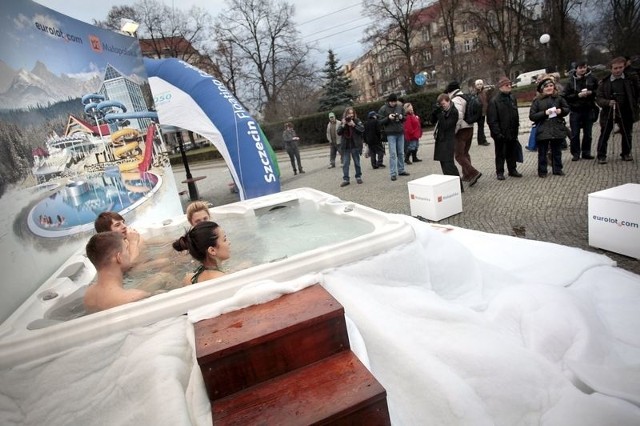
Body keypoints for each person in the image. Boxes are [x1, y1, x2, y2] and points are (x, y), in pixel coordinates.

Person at [83, 231, 150, 313]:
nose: (129, 253)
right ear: (119, 258)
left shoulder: (89, 294)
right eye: (126, 249)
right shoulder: (135, 296)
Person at [595, 56, 640, 164]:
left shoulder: (630, 80)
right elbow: (598, 99)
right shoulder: (604, 82)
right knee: (605, 133)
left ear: (624, 67)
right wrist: (607, 102)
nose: (618, 70)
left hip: (626, 109)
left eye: (620, 67)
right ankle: (601, 155)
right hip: (609, 111)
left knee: (626, 133)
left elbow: (636, 93)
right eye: (615, 68)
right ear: (611, 69)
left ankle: (626, 153)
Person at [529, 76, 571, 177]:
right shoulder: (537, 101)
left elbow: (567, 108)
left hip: (556, 127)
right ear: (542, 89)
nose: (549, 88)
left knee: (557, 151)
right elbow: (532, 116)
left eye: (551, 86)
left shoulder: (559, 98)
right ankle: (542, 171)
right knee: (542, 153)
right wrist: (544, 113)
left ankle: (557, 169)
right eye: (547, 86)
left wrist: (561, 111)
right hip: (543, 128)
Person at [487, 76, 523, 180]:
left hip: (512, 130)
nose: (509, 86)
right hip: (501, 132)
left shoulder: (512, 98)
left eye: (510, 84)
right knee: (500, 153)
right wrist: (497, 133)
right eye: (507, 85)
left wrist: (516, 127)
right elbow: (491, 120)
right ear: (501, 87)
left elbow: (515, 113)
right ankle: (500, 172)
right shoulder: (494, 101)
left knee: (511, 152)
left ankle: (512, 169)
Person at [446, 81, 482, 186]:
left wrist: (454, 131)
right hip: (469, 127)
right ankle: (466, 175)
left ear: (450, 91)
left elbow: (458, 117)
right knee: (465, 153)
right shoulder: (465, 96)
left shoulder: (456, 99)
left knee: (458, 155)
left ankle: (473, 173)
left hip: (462, 130)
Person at [172, 221, 230, 285]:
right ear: (212, 250)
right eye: (224, 239)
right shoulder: (222, 279)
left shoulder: (189, 279)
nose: (229, 242)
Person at [562, 60, 599, 161]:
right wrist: (577, 95)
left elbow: (599, 90)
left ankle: (586, 152)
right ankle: (575, 153)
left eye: (584, 67)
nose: (582, 70)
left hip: (588, 108)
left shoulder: (592, 78)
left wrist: (591, 92)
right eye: (580, 68)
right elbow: (565, 96)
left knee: (588, 133)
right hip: (575, 109)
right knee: (575, 134)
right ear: (576, 69)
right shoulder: (570, 81)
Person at [430, 93, 463, 193]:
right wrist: (434, 112)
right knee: (443, 163)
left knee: (449, 164)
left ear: (448, 101)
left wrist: (439, 114)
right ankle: (450, 184)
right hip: (441, 140)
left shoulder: (453, 112)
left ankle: (458, 186)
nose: (442, 106)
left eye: (443, 104)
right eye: (441, 104)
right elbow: (432, 121)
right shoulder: (443, 111)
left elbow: (446, 126)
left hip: (448, 140)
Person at [378, 93, 409, 181]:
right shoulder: (383, 108)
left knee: (401, 152)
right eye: (392, 102)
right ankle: (393, 173)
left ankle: (401, 170)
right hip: (390, 133)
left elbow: (405, 118)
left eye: (395, 102)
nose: (393, 104)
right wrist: (388, 118)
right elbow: (379, 121)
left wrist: (401, 117)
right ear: (389, 101)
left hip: (400, 132)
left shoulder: (400, 107)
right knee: (393, 154)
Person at [337, 107, 365, 187]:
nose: (351, 115)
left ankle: (358, 176)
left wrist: (354, 125)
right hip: (346, 146)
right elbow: (338, 132)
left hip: (355, 145)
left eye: (352, 113)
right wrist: (343, 125)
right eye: (349, 113)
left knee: (357, 162)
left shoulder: (357, 120)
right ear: (346, 114)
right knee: (345, 163)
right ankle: (346, 179)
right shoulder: (343, 121)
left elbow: (362, 129)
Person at [474, 79, 492, 146]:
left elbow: (487, 100)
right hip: (479, 112)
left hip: (484, 111)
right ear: (475, 86)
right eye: (478, 84)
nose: (479, 86)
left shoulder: (484, 92)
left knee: (481, 126)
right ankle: (482, 140)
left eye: (480, 84)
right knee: (480, 127)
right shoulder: (475, 93)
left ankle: (482, 139)